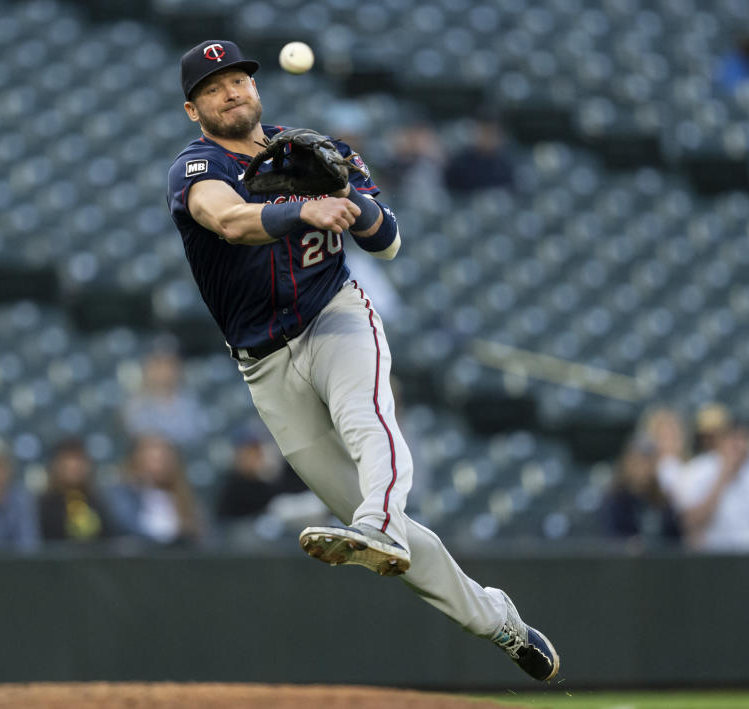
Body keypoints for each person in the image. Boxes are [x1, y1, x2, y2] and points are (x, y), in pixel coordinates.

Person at [165, 40, 558, 681]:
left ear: (256, 90)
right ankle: (495, 619)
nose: (232, 91)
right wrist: (302, 208)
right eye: (214, 87)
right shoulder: (195, 166)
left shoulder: (316, 150)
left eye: (239, 79)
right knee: (380, 521)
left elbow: (390, 242)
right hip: (264, 363)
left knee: (368, 420)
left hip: (334, 316)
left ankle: (377, 521)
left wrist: (348, 190)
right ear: (193, 109)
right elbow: (230, 220)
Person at [672, 421, 749, 552]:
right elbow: (690, 525)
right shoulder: (697, 471)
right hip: (709, 557)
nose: (740, 445)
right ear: (720, 442)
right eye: (734, 439)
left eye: (745, 439)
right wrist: (722, 478)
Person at [107, 435, 204, 546]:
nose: (158, 466)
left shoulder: (183, 495)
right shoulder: (124, 492)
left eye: (163, 459)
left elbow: (197, 530)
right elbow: (129, 527)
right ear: (137, 460)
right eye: (152, 460)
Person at [600, 435, 681, 546]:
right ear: (627, 462)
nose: (642, 468)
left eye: (647, 462)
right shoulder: (614, 499)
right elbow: (608, 539)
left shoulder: (662, 500)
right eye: (637, 461)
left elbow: (675, 540)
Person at [214, 424, 306, 521]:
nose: (252, 459)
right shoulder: (235, 491)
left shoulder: (281, 467)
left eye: (255, 453)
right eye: (245, 456)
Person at [122, 347, 207, 447]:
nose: (163, 371)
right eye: (157, 364)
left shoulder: (192, 403)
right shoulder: (131, 406)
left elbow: (195, 441)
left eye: (169, 364)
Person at [38, 438, 116, 544]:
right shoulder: (44, 505)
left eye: (78, 459)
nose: (73, 466)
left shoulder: (99, 501)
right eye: (67, 459)